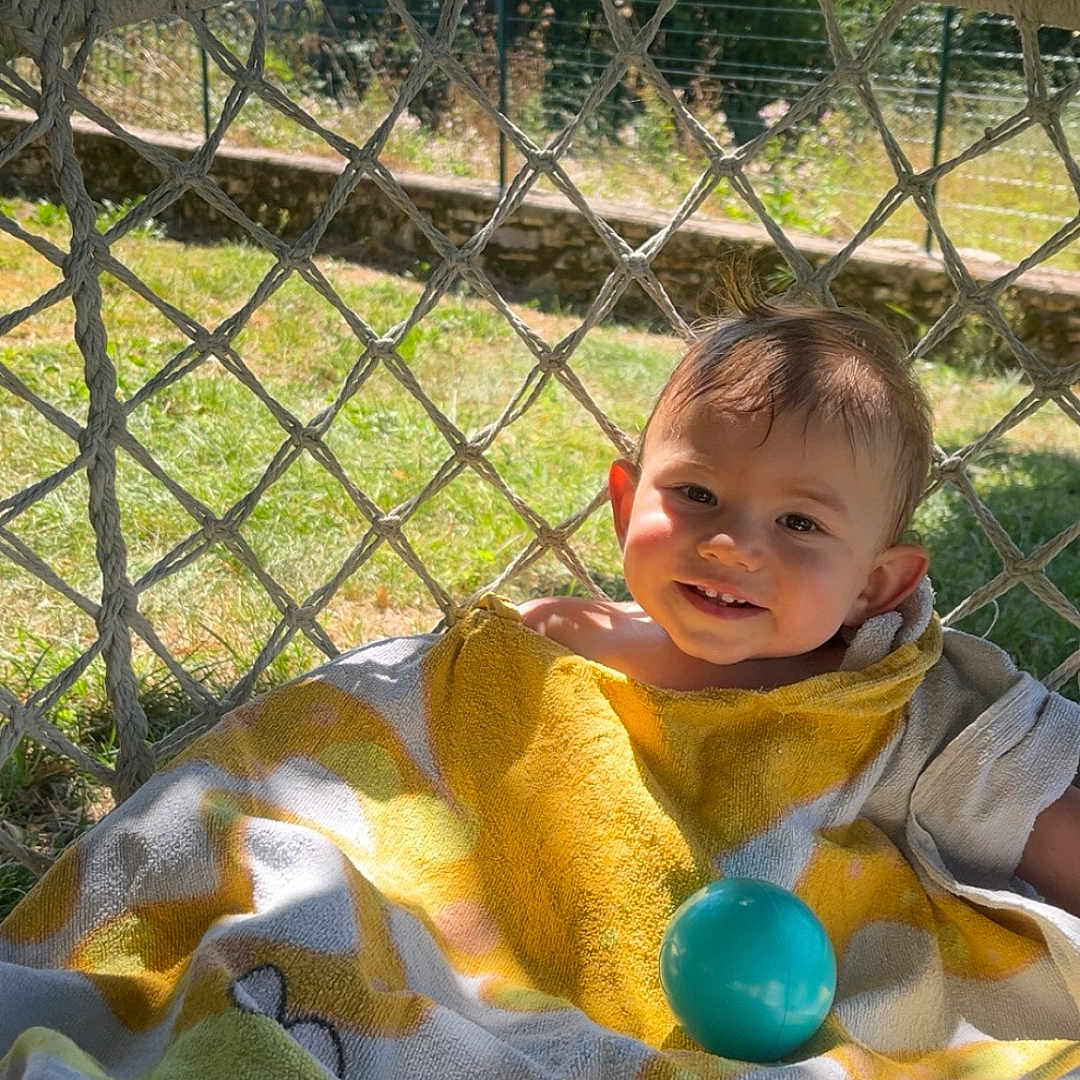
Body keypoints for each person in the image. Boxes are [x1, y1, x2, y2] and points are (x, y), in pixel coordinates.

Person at [518, 286, 1080, 916]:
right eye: (696, 494)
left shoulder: (889, 716)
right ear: (625, 508)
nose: (732, 546)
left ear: (872, 588)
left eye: (799, 523)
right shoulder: (554, 645)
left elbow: (1039, 817)